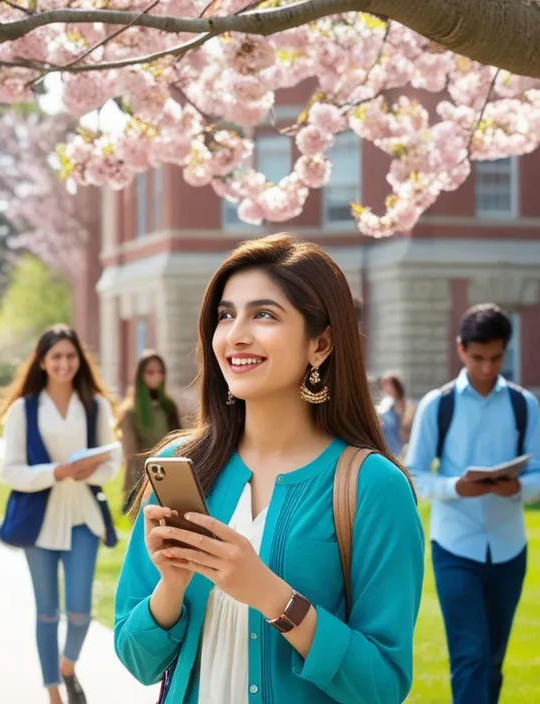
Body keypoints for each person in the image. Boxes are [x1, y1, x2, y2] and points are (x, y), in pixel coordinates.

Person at [113, 234, 425, 704]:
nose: (236, 334)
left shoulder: (373, 487)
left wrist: (274, 598)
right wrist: (171, 587)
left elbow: (381, 685)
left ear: (320, 344)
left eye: (264, 314)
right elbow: (137, 658)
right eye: (225, 314)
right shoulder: (184, 467)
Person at [403, 303, 540, 704]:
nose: (487, 368)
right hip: (454, 547)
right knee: (470, 655)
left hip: (510, 547)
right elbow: (413, 475)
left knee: (492, 659)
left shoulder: (525, 405)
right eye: (478, 357)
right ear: (461, 349)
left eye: (496, 358)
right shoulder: (438, 404)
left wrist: (517, 488)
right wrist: (456, 486)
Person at [0, 324, 121, 704]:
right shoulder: (23, 409)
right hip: (40, 521)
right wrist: (56, 472)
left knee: (80, 611)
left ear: (79, 360)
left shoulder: (94, 404)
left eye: (71, 356)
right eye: (57, 357)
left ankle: (68, 666)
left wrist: (88, 471)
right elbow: (9, 471)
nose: (64, 363)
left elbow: (110, 462)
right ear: (43, 362)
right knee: (47, 612)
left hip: (82, 514)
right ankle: (52, 689)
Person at [117, 350, 182, 510]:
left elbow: (179, 443)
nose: (156, 377)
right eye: (150, 372)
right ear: (141, 376)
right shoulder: (130, 412)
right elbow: (132, 455)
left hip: (169, 475)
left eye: (160, 372)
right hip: (143, 479)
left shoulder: (168, 406)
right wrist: (136, 489)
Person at [375, 371, 414, 458]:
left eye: (386, 383)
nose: (383, 386)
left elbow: (406, 428)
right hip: (384, 446)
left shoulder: (405, 405)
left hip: (398, 448)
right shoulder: (384, 403)